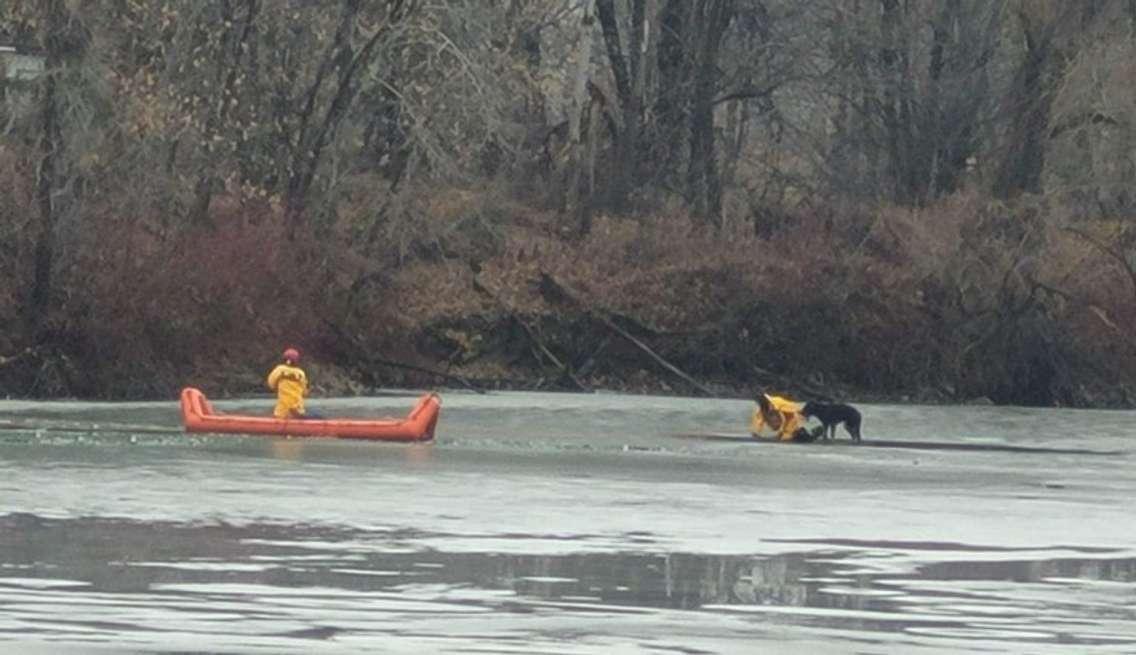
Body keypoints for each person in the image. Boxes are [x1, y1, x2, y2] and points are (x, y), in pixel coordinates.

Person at [266, 347, 318, 419]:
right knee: (317, 415)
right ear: (296, 361)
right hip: (298, 412)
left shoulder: (279, 369)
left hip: (281, 413)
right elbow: (304, 392)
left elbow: (271, 384)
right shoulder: (301, 373)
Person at [750, 390, 820, 442]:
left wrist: (781, 431)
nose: (759, 402)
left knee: (786, 438)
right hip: (787, 417)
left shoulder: (775, 403)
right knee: (784, 437)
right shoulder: (764, 407)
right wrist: (756, 431)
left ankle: (801, 435)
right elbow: (759, 418)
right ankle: (798, 434)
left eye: (759, 401)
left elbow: (783, 418)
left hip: (792, 415)